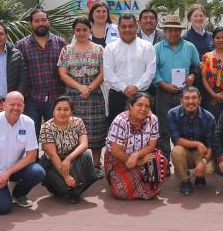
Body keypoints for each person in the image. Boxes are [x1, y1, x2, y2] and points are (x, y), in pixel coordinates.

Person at [0, 91, 45, 214]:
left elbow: (31, 156)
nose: (16, 108)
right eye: (12, 104)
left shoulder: (28, 123)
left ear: (24, 106)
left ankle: (18, 194)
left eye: (19, 105)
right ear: (3, 105)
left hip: (14, 169)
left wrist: (8, 172)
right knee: (3, 208)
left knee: (38, 172)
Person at [57, 17, 106, 158]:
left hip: (94, 93)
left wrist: (89, 88)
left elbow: (103, 73)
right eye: (78, 30)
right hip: (73, 94)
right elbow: (62, 73)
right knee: (73, 128)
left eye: (85, 29)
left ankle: (96, 164)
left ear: (90, 30)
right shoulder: (66, 50)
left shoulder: (99, 49)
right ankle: (76, 162)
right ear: (74, 31)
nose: (81, 32)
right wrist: (80, 88)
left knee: (95, 129)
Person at [104, 93, 167, 200]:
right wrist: (138, 162)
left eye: (147, 106)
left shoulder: (153, 119)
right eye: (139, 105)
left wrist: (136, 155)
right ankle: (121, 180)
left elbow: (151, 146)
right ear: (131, 106)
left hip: (141, 155)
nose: (143, 109)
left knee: (159, 160)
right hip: (118, 158)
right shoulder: (120, 121)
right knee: (122, 193)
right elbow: (116, 151)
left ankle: (140, 183)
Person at [103, 12, 157, 134]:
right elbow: (108, 73)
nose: (127, 29)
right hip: (117, 95)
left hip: (142, 95)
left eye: (131, 26)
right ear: (118, 28)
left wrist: (136, 87)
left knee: (144, 131)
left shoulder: (147, 47)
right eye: (123, 26)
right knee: (117, 132)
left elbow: (150, 72)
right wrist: (124, 88)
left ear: (136, 27)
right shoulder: (110, 48)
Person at [40, 95, 99, 203]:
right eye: (59, 109)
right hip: (53, 163)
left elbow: (84, 144)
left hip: (73, 159)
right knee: (65, 187)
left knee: (86, 156)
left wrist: (69, 158)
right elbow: (53, 155)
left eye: (66, 109)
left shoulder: (78, 122)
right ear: (53, 111)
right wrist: (66, 176)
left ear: (71, 111)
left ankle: (74, 189)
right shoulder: (46, 127)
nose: (62, 112)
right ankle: (70, 188)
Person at [16, 8, 67, 127]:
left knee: (58, 134)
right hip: (31, 100)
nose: (40, 23)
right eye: (37, 21)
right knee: (31, 135)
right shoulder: (21, 46)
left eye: (43, 20)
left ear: (48, 22)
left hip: (56, 97)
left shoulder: (61, 43)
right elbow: (17, 73)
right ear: (31, 24)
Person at [154, 14, 201, 132]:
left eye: (176, 30)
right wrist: (164, 85)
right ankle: (164, 150)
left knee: (185, 125)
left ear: (180, 31)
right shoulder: (157, 48)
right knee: (163, 125)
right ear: (164, 31)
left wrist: (192, 75)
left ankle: (182, 149)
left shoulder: (189, 47)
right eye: (170, 30)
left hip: (185, 93)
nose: (173, 33)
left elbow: (198, 65)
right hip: (163, 92)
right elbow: (153, 70)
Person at [168, 87, 216, 195]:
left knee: (208, 169)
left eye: (194, 98)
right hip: (183, 151)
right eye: (186, 98)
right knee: (176, 151)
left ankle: (200, 176)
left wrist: (203, 162)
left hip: (201, 153)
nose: (190, 101)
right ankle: (185, 180)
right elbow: (176, 139)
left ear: (200, 100)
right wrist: (197, 143)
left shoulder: (209, 118)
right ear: (181, 101)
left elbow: (210, 145)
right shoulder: (172, 114)